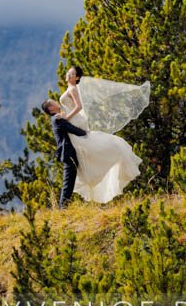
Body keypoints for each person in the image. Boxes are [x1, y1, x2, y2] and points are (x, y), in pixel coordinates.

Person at [54, 65, 147, 204]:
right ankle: (88, 173)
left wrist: (67, 117)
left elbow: (79, 106)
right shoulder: (69, 88)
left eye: (72, 74)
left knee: (84, 147)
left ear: (77, 78)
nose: (68, 75)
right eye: (69, 73)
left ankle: (95, 170)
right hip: (72, 119)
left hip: (74, 120)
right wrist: (64, 114)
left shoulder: (73, 89)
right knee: (82, 149)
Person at [40, 98, 88, 209]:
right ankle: (63, 208)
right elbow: (73, 129)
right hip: (67, 153)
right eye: (54, 102)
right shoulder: (57, 119)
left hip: (69, 152)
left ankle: (64, 206)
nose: (57, 102)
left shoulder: (58, 117)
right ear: (51, 108)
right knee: (68, 182)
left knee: (70, 181)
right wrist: (86, 133)